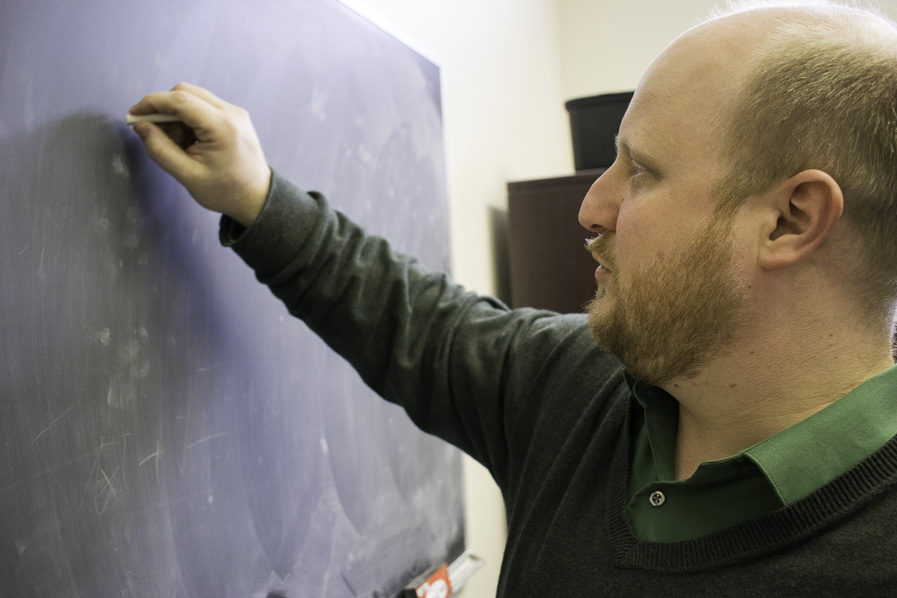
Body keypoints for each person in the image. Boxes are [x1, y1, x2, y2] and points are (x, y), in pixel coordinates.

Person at [129, 1, 897, 594]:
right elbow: (416, 325)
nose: (591, 209)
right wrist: (258, 196)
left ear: (790, 220)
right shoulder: (577, 386)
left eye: (641, 171)